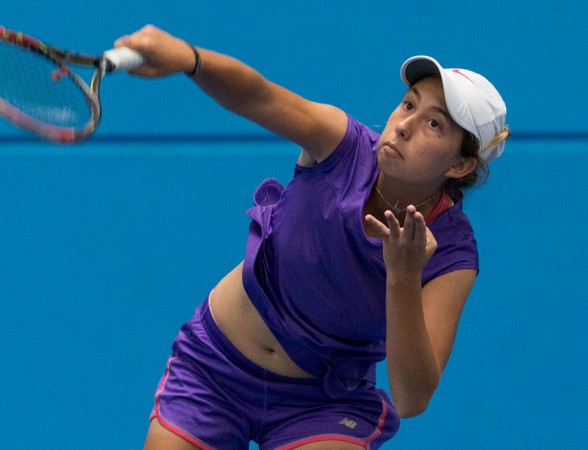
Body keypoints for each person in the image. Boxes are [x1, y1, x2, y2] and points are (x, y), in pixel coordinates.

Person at [115, 25, 510, 450]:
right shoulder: (341, 144)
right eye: (407, 104)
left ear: (460, 167)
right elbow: (258, 95)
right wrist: (190, 58)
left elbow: (412, 398)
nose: (403, 126)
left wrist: (403, 275)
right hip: (216, 368)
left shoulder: (452, 253)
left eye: (434, 124)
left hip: (322, 404)